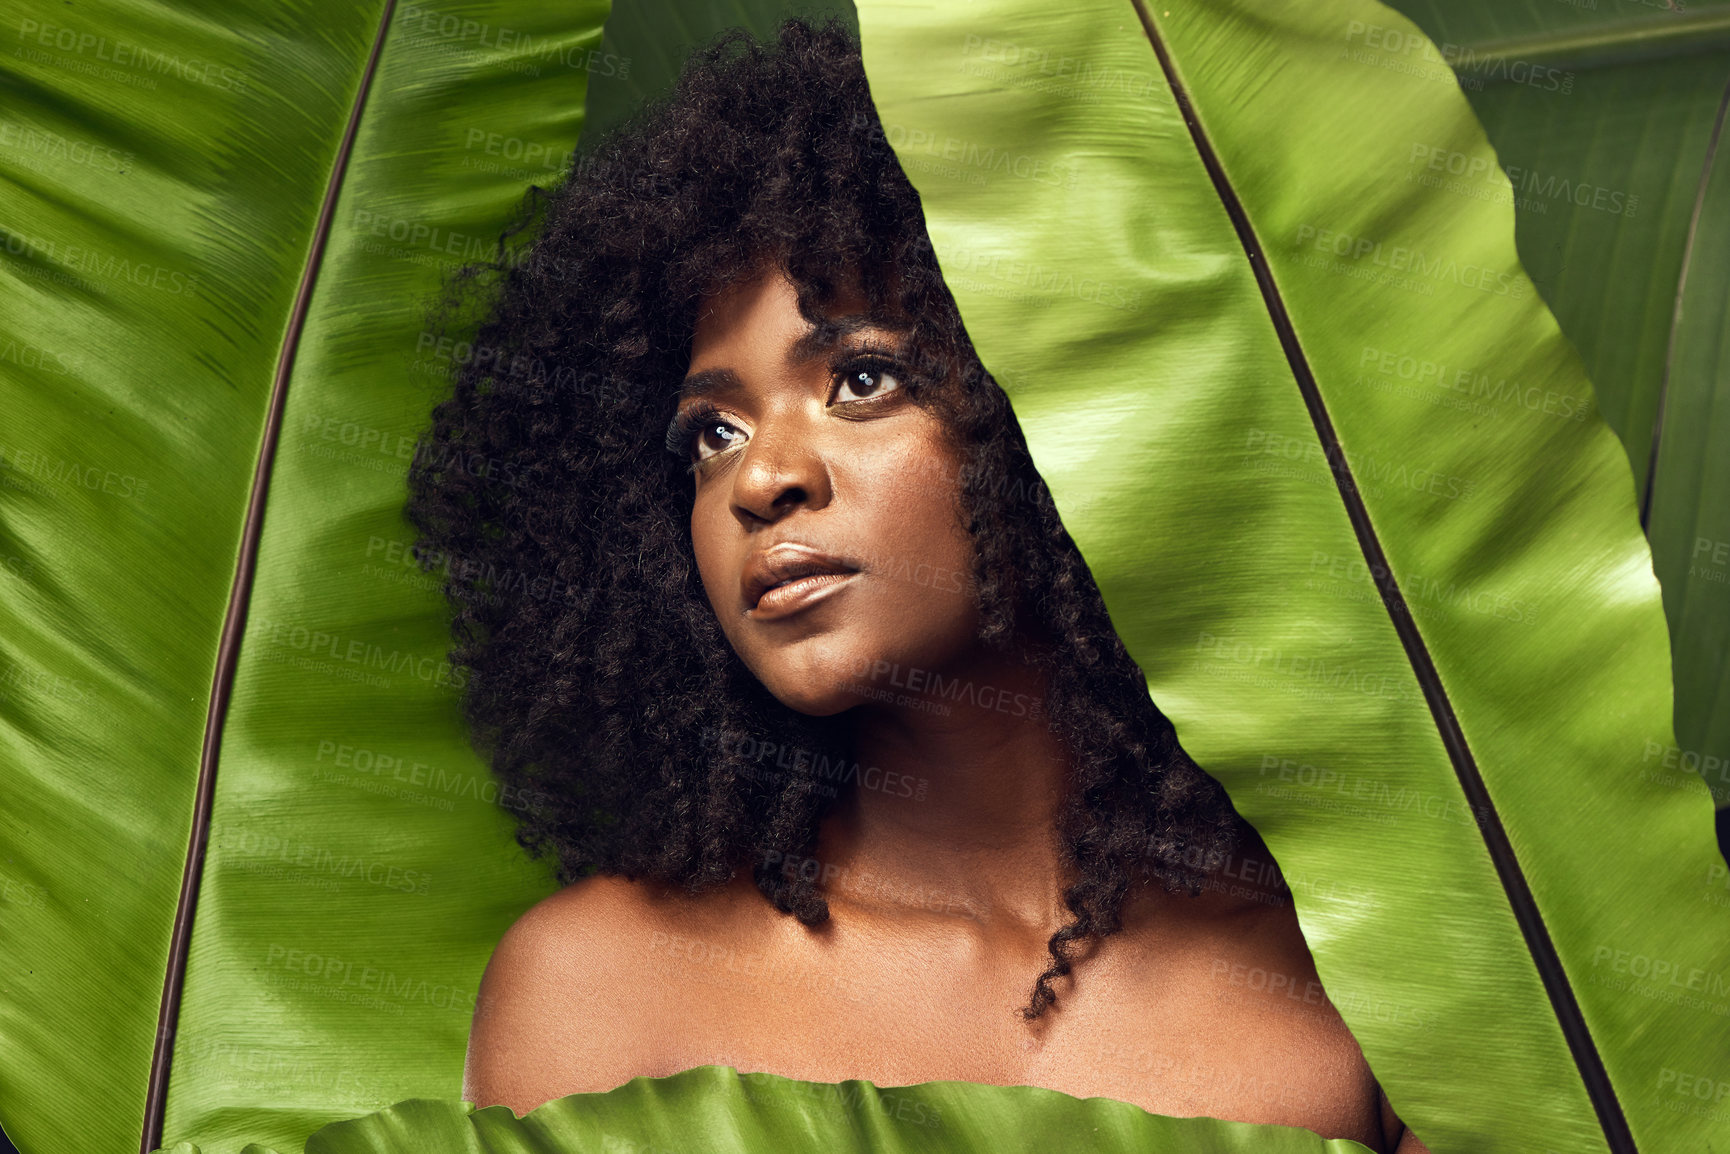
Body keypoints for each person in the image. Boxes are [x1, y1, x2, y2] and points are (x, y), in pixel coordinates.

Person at [405, 18, 1428, 1153]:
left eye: (862, 377)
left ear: (1056, 407)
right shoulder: (601, 987)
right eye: (709, 433)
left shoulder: (1364, 982)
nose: (761, 479)